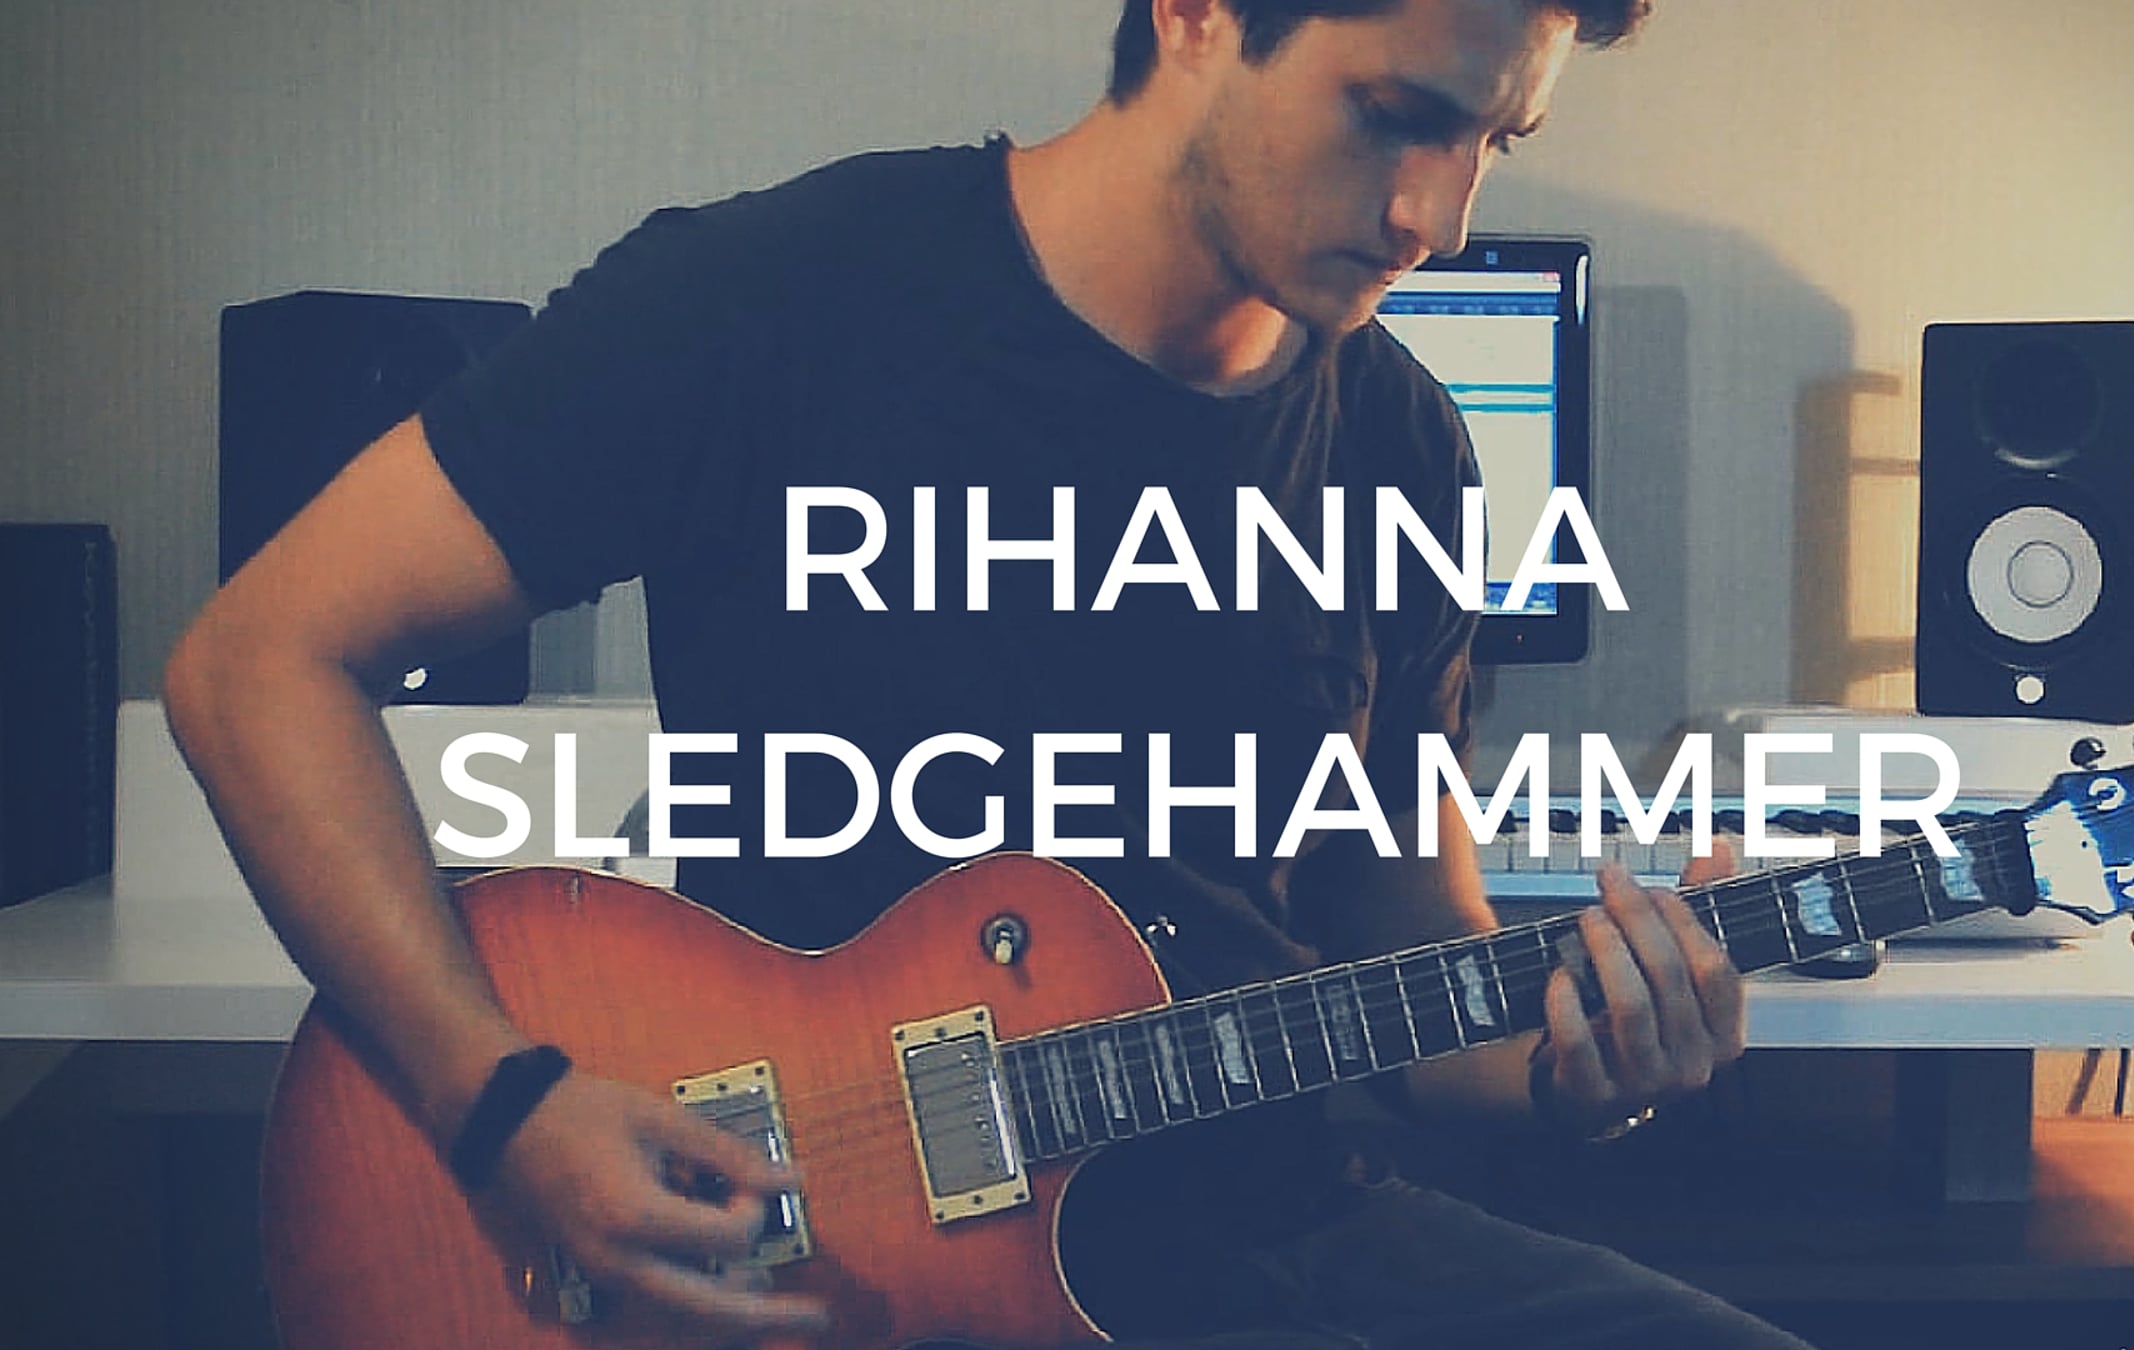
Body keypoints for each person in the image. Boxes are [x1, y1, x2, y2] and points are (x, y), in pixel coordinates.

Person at [165, 1, 1813, 1345]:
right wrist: (500, 1099)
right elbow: (257, 664)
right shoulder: (769, 303)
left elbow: (1408, 964)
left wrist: (1580, 1069)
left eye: (1494, 142)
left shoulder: (1401, 442)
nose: (1436, 221)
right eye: (1396, 115)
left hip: (1272, 1233)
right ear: (1195, 15)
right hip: (841, 1273)